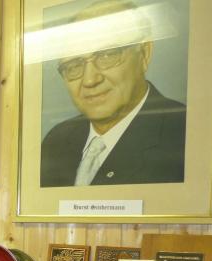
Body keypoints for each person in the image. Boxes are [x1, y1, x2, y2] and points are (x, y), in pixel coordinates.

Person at [40, 0, 186, 187]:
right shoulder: (56, 142)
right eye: (74, 65)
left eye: (107, 55)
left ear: (144, 54)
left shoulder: (183, 135)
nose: (90, 80)